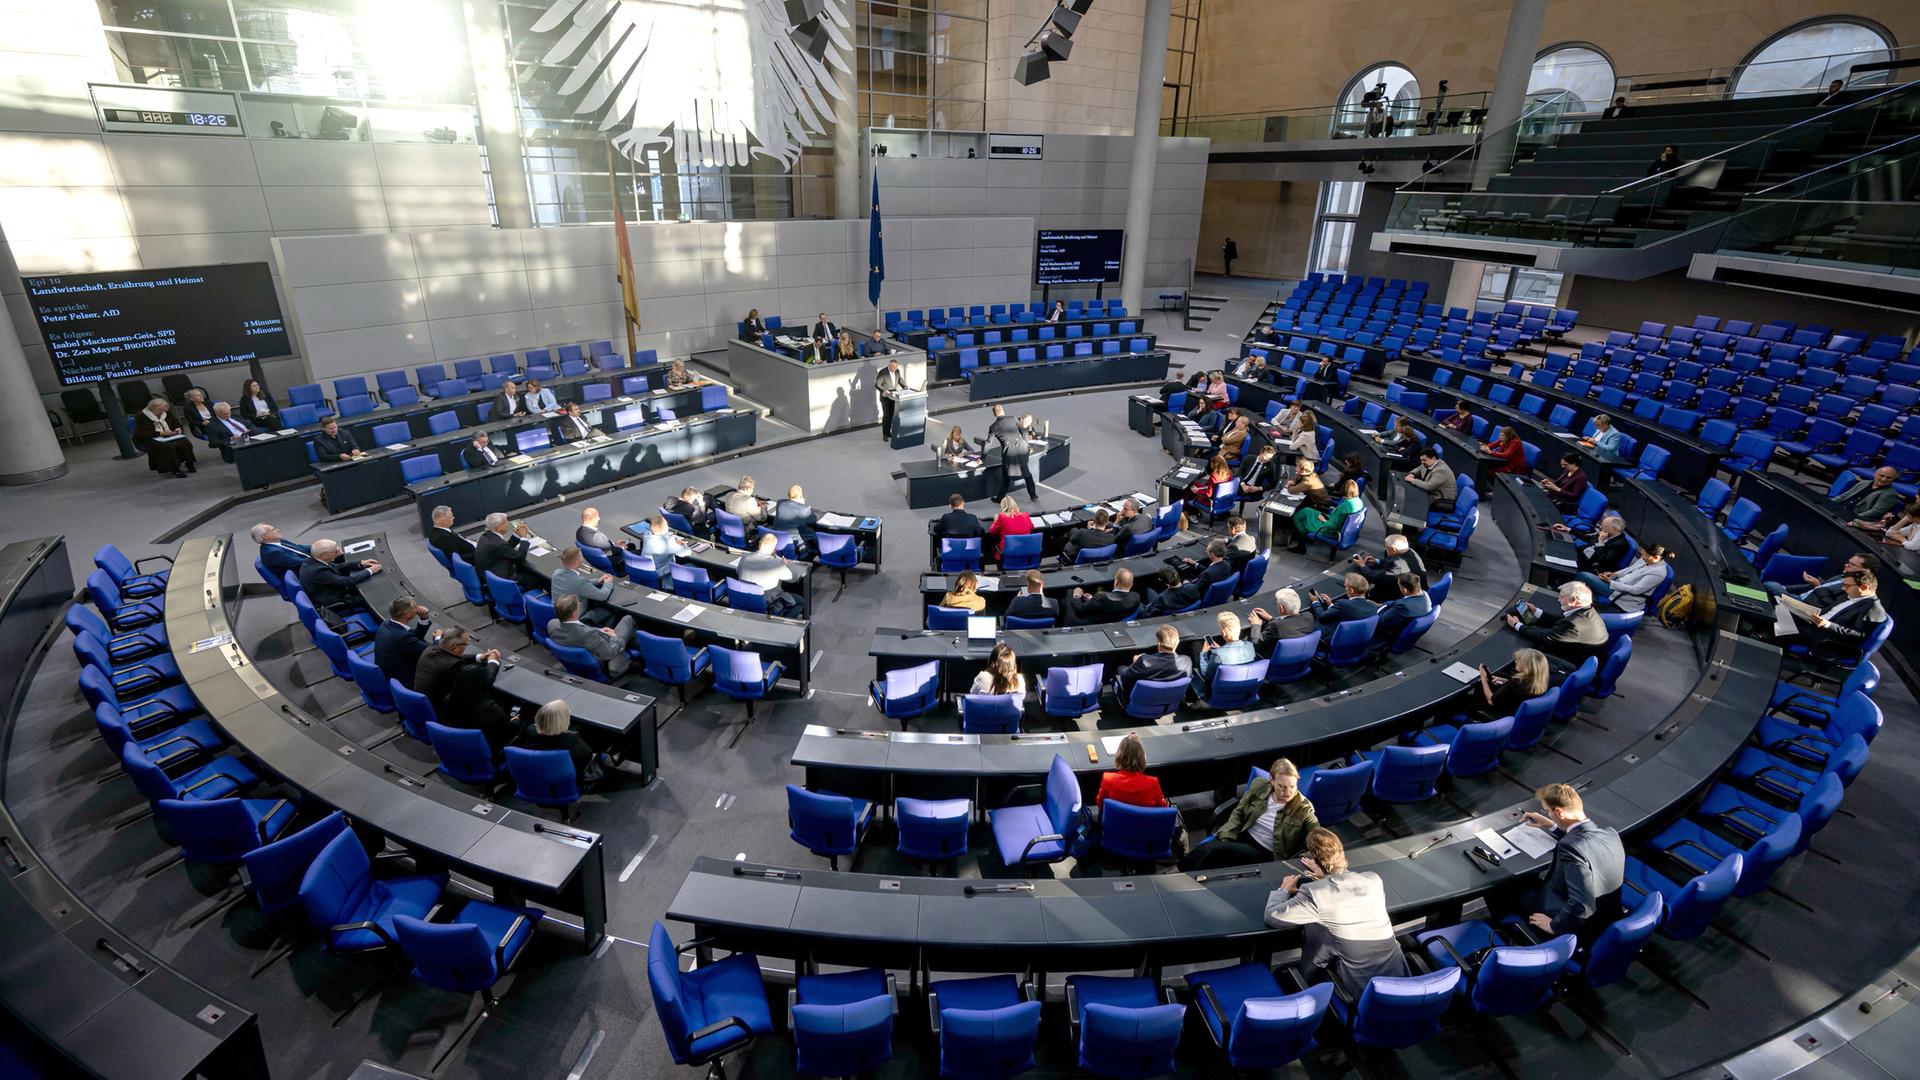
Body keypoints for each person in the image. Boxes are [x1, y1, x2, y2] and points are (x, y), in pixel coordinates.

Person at [1264, 828, 1410, 998]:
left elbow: (1272, 916)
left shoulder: (1316, 894)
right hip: (1405, 986)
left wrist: (1283, 890)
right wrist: (1326, 877)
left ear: (1315, 858)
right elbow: (1343, 896)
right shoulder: (1372, 880)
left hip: (1366, 996)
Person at [1512, 783, 1625, 941]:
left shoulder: (1570, 848)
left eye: (1548, 811)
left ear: (1558, 811)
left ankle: (1520, 938)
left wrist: (1554, 926)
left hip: (1579, 924)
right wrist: (1552, 825)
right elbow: (1585, 841)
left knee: (1506, 889)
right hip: (1608, 916)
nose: (1548, 814)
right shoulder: (1610, 833)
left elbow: (1582, 904)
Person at [1184, 757, 1319, 869]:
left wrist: (1305, 860)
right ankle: (1183, 872)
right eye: (1281, 787)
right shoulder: (1260, 785)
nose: (1287, 792)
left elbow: (1319, 837)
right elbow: (1239, 812)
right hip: (1244, 833)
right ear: (1272, 780)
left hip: (1265, 850)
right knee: (1208, 849)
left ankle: (1182, 874)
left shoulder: (1303, 808)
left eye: (1292, 786)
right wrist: (1228, 833)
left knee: (1216, 850)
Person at [436, 630, 523, 748]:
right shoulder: (491, 710)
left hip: (458, 747)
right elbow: (508, 731)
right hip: (489, 749)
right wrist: (516, 720)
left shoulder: (448, 699)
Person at [1780, 569, 1887, 660]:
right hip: (1814, 623)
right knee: (1778, 609)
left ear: (1864, 588)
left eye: (1847, 586)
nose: (1843, 588)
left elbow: (1857, 635)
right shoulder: (1851, 593)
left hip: (1827, 639)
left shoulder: (1873, 609)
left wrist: (1828, 624)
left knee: (1778, 623)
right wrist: (1804, 611)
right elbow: (1829, 611)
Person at [1508, 580, 1609, 663]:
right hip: (1587, 654)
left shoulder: (1573, 625)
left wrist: (1517, 625)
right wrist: (1536, 611)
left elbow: (1544, 637)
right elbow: (1562, 621)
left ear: (1574, 601)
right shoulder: (1588, 610)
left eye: (1561, 597)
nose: (1559, 600)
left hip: (1572, 662)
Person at [413, 626, 501, 718]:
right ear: (455, 647)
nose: (467, 647)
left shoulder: (430, 650)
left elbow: (450, 657)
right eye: (466, 644)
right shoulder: (454, 666)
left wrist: (480, 657)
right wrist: (493, 661)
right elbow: (483, 681)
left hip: (422, 707)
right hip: (441, 713)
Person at [515, 700, 601, 788]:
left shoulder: (530, 730)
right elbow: (588, 755)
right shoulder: (571, 739)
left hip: (533, 777)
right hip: (563, 785)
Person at [547, 593, 636, 677]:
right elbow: (610, 653)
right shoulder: (588, 634)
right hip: (601, 661)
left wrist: (598, 630)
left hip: (575, 660)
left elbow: (577, 629)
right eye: (578, 605)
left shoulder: (552, 624)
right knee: (628, 619)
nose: (580, 605)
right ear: (574, 613)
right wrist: (614, 636)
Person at [1582, 543, 1671, 612]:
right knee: (1590, 571)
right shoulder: (1648, 559)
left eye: (1645, 555)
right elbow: (1629, 569)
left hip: (1623, 594)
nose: (1642, 557)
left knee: (1584, 575)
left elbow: (1635, 590)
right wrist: (1614, 574)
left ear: (1655, 557)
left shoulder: (1658, 573)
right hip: (1618, 583)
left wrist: (1610, 582)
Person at [297, 538, 381, 613]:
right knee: (375, 596)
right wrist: (370, 571)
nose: (340, 552)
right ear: (324, 555)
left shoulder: (312, 560)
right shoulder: (318, 571)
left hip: (331, 592)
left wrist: (360, 563)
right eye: (335, 551)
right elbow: (347, 581)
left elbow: (338, 566)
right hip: (336, 601)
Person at [1472, 647, 1551, 722]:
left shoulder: (1515, 683)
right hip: (1515, 710)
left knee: (1476, 691)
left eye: (1518, 660)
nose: (1516, 661)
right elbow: (1518, 688)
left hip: (1500, 714)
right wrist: (1504, 680)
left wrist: (1483, 678)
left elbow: (1491, 701)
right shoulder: (1540, 680)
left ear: (1526, 665)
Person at [1116, 624, 1192, 703]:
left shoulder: (1143, 662)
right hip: (1169, 704)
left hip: (1142, 704)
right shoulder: (1187, 661)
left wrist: (1135, 664)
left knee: (1121, 669)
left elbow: (1125, 679)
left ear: (1159, 644)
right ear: (1178, 642)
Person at [374, 594, 437, 688]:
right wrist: (438, 638)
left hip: (389, 671)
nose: (418, 608)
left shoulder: (386, 624)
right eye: (415, 607)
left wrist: (423, 618)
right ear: (407, 614)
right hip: (404, 679)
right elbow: (432, 651)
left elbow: (414, 637)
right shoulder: (401, 636)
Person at [550, 547, 621, 627]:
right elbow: (602, 596)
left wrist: (598, 580)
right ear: (577, 561)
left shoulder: (556, 573)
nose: (583, 558)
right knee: (612, 611)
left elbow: (575, 583)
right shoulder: (579, 582)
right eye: (581, 556)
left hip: (559, 613)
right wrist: (608, 583)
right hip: (576, 618)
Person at [738, 533, 804, 617]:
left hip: (744, 598)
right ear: (773, 548)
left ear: (759, 544)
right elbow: (794, 578)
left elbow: (738, 571)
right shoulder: (776, 563)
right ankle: (782, 625)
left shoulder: (745, 557)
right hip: (767, 602)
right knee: (800, 601)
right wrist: (786, 564)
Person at [1290, 480, 1362, 553]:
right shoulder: (1358, 501)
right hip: (1335, 523)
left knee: (1298, 517)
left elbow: (1334, 526)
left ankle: (1301, 545)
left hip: (1328, 529)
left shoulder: (1345, 506)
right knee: (1307, 510)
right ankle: (1306, 538)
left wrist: (1324, 520)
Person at [981, 405, 1035, 501]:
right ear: (1003, 410)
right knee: (1026, 473)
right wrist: (1026, 444)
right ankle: (1033, 496)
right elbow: (1025, 432)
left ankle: (1000, 498)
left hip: (1009, 452)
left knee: (1006, 476)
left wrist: (982, 458)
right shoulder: (1013, 419)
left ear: (994, 414)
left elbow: (988, 443)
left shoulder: (993, 427)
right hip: (1022, 448)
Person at [1098, 733, 1168, 808]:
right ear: (1142, 757)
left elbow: (1100, 803)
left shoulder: (1108, 780)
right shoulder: (1153, 783)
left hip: (1116, 819)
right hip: (1143, 820)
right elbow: (1163, 807)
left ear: (1119, 756)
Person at [1196, 610, 1257, 695]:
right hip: (1245, 691)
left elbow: (1206, 675)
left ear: (1223, 633)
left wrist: (1203, 653)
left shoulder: (1218, 654)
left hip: (1222, 694)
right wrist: (1221, 648)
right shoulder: (1250, 646)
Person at [133, 397, 196, 478]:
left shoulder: (165, 412)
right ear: (152, 408)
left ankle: (189, 463)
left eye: (164, 410)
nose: (162, 412)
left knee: (184, 442)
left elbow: (175, 423)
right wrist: (161, 433)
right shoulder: (141, 416)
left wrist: (178, 429)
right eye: (160, 410)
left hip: (169, 435)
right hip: (151, 438)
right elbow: (141, 433)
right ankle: (175, 468)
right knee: (167, 447)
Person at [1248, 587, 1318, 654]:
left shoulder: (1275, 626)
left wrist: (1256, 625)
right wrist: (1271, 619)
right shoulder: (1308, 616)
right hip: (1300, 657)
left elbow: (1255, 645)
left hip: (1271, 661)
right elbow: (1289, 625)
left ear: (1282, 608)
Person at [1354, 533, 1426, 598]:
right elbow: (1392, 559)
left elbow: (1375, 578)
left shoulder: (1396, 565)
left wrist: (1362, 565)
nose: (1385, 549)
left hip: (1397, 594)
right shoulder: (1410, 551)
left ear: (1394, 549)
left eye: (1387, 548)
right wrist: (1377, 561)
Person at [474, 513, 536, 587]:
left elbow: (504, 549)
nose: (508, 523)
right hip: (500, 580)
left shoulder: (486, 536)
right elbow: (520, 557)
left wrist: (516, 535)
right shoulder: (498, 544)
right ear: (499, 527)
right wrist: (524, 538)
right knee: (536, 577)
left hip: (489, 575)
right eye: (505, 522)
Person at [1554, 513, 1629, 574]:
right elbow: (1589, 539)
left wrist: (1601, 542)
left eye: (1604, 526)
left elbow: (1604, 561)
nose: (1601, 528)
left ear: (1614, 529)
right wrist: (1568, 529)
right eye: (1601, 525)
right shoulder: (1606, 533)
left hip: (1591, 564)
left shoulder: (1620, 544)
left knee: (1561, 564)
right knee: (1560, 550)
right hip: (1584, 553)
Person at [1372, 573, 1432, 644]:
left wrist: (1370, 609)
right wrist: (1382, 605)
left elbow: (1381, 622)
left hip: (1388, 632)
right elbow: (1399, 603)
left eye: (1399, 585)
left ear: (1404, 590)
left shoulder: (1404, 606)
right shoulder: (1424, 594)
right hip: (1402, 621)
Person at [1837, 466, 1906, 528]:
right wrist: (1828, 502)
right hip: (1840, 508)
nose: (1884, 479)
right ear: (1875, 474)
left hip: (1853, 518)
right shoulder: (1863, 483)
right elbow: (1844, 496)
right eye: (1881, 475)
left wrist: (1851, 518)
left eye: (1889, 478)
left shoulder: (1890, 495)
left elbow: (1874, 513)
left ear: (1894, 479)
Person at [1068, 567, 1141, 625]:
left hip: (1090, 622)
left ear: (1116, 583)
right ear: (1131, 584)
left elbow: (1080, 609)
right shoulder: (1136, 596)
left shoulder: (1101, 596)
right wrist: (1092, 600)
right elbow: (1112, 605)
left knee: (1069, 592)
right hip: (1114, 619)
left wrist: (1077, 596)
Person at [577, 506, 638, 574]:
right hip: (614, 562)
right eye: (597, 517)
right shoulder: (596, 536)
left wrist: (614, 544)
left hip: (599, 559)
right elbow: (610, 551)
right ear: (590, 518)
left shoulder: (579, 532)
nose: (599, 518)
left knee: (631, 546)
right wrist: (623, 548)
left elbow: (602, 546)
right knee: (637, 551)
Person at [1309, 573, 1378, 631]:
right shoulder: (1373, 606)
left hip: (1329, 636)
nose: (1345, 589)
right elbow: (1349, 612)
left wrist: (1316, 602)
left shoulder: (1343, 604)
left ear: (1351, 590)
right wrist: (1330, 604)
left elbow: (1321, 617)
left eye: (1346, 586)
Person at [769, 484, 819, 556]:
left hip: (779, 542)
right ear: (800, 496)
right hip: (796, 545)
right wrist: (802, 505)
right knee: (813, 533)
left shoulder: (780, 502)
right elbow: (814, 519)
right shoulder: (803, 509)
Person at [1402, 447, 1457, 512]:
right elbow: (1419, 469)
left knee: (1412, 501)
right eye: (1421, 460)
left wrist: (1412, 480)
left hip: (1440, 500)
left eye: (1424, 460)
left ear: (1433, 458)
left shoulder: (1442, 470)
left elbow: (1428, 486)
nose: (1422, 462)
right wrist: (1412, 474)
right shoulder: (1429, 463)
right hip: (1430, 493)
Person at [875, 357, 916, 441]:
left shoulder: (897, 371)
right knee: (886, 416)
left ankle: (889, 432)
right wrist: (884, 390)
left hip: (894, 396)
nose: (894, 369)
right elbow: (877, 384)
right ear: (889, 365)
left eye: (895, 367)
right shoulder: (883, 372)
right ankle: (885, 434)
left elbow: (900, 379)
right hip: (886, 397)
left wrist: (905, 386)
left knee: (892, 415)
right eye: (893, 367)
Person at [986, 496, 1032, 562]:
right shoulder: (1026, 516)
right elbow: (1031, 527)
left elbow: (992, 531)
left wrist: (996, 520)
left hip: (1008, 553)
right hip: (1025, 551)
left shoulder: (1002, 517)